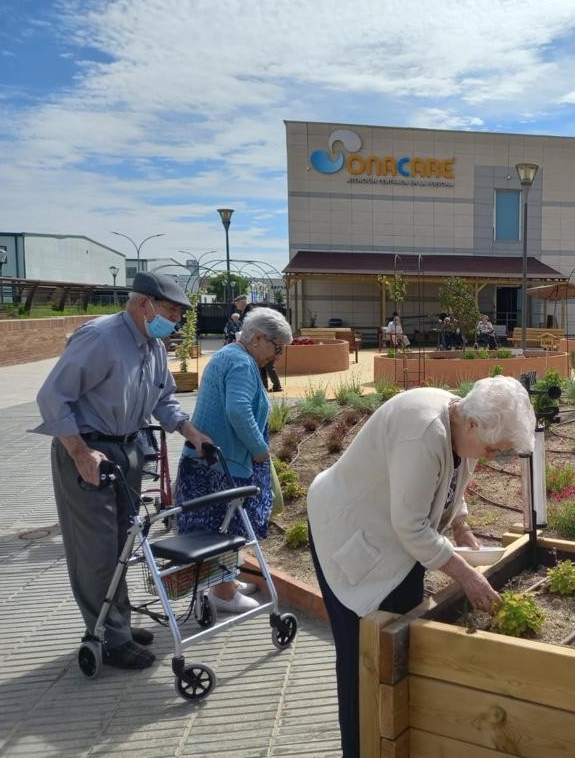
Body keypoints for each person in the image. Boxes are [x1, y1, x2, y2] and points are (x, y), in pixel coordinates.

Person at [307, 376, 536, 758]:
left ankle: (391, 742)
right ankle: (360, 749)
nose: (489, 456)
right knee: (363, 659)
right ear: (473, 423)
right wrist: (466, 575)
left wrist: (461, 526)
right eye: (491, 448)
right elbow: (411, 526)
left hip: (397, 542)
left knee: (398, 645)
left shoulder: (462, 421)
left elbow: (451, 478)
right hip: (350, 533)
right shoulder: (423, 434)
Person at [33, 272, 212, 670]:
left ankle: (119, 624)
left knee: (121, 547)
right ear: (144, 303)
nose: (176, 320)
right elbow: (52, 398)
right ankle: (108, 638)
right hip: (88, 450)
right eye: (171, 311)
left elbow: (164, 400)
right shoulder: (100, 338)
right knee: (96, 551)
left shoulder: (153, 346)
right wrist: (80, 452)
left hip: (128, 449)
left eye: (180, 314)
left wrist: (191, 432)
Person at [175, 307, 293, 613]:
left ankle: (223, 581)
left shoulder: (229, 354)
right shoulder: (241, 362)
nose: (277, 356)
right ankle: (224, 593)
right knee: (226, 526)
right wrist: (259, 449)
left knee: (216, 526)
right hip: (222, 465)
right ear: (258, 338)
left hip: (208, 461)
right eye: (277, 347)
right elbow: (238, 411)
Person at [233, 294, 282, 392]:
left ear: (241, 302)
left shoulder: (249, 310)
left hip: (264, 341)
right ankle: (266, 386)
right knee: (263, 364)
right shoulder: (250, 309)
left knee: (267, 364)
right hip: (263, 340)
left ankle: (275, 386)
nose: (236, 306)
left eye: (236, 303)